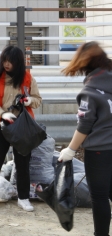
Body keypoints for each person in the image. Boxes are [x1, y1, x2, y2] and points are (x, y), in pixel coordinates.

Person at [60, 42, 112, 236]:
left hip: (99, 150)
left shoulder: (90, 91)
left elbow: (84, 125)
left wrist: (70, 150)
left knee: (99, 197)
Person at [0, 45, 42, 213]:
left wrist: (29, 101)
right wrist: (3, 114)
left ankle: (23, 198)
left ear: (18, 62)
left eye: (11, 61)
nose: (7, 64)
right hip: (1, 124)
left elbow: (38, 99)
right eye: (5, 61)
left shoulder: (27, 78)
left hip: (22, 125)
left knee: (23, 163)